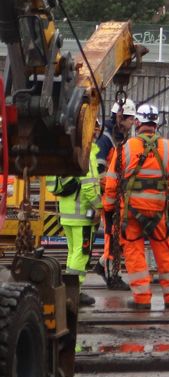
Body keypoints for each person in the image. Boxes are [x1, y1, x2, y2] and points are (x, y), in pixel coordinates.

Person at [103, 103, 169, 310]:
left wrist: (108, 212)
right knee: (165, 251)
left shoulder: (125, 148)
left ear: (138, 122)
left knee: (134, 252)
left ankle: (142, 299)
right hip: (159, 212)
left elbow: (112, 184)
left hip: (130, 212)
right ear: (156, 123)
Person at [46, 119, 103, 307]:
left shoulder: (70, 152)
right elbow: (89, 186)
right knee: (82, 252)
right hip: (82, 214)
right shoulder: (87, 153)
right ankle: (74, 293)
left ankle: (69, 289)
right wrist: (98, 206)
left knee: (73, 252)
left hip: (68, 213)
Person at [93, 98, 137, 291]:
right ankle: (112, 275)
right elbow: (99, 169)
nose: (132, 123)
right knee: (113, 236)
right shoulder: (106, 138)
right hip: (109, 195)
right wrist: (110, 190)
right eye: (130, 119)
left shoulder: (118, 136)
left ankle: (103, 265)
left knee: (117, 235)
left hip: (115, 195)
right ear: (120, 116)